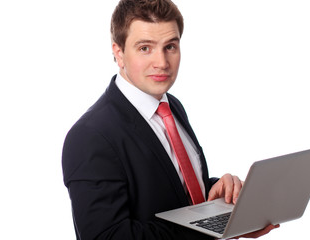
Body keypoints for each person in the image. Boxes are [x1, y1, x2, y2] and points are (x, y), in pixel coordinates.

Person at [62, 0, 279, 239]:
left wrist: (221, 197)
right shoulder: (90, 136)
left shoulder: (171, 106)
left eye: (170, 47)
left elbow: (171, 191)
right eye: (145, 48)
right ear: (119, 53)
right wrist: (207, 228)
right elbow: (107, 236)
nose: (162, 63)